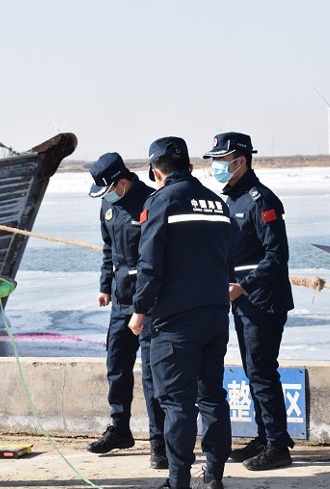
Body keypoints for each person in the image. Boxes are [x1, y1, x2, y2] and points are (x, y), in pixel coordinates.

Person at [127, 136, 232, 489]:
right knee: (213, 396)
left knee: (178, 404)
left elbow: (150, 264)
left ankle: (178, 480)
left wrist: (139, 309)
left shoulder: (160, 201)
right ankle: (214, 475)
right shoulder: (218, 203)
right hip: (216, 314)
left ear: (156, 171)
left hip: (176, 320)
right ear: (189, 165)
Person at [202, 132, 295, 471]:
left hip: (263, 301)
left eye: (221, 160)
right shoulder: (231, 200)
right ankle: (266, 436)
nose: (215, 166)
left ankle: (277, 446)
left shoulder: (261, 201)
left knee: (262, 373)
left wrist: (243, 284)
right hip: (242, 301)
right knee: (254, 371)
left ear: (240, 161)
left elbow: (276, 255)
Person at [86, 152, 167, 469]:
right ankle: (119, 429)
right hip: (120, 300)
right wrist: (105, 286)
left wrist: (145, 304)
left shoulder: (152, 202)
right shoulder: (108, 205)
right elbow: (108, 250)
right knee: (116, 366)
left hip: (148, 300)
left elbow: (157, 258)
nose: (105, 196)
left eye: (108, 188)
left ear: (122, 181)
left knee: (151, 375)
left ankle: (158, 441)